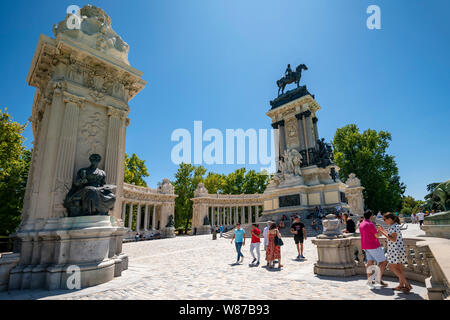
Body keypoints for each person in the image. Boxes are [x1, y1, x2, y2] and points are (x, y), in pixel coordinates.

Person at [377, 213, 412, 293]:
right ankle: (401, 285)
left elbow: (393, 239)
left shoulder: (394, 226)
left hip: (395, 250)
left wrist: (382, 233)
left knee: (392, 267)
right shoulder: (394, 226)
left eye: (385, 219)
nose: (384, 221)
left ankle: (407, 285)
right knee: (399, 269)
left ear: (390, 219)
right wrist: (383, 231)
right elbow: (391, 235)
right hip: (398, 249)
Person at [359, 210, 388, 288]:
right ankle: (377, 279)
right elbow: (376, 236)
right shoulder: (370, 224)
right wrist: (380, 231)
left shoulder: (361, 224)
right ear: (371, 216)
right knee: (384, 262)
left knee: (370, 263)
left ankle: (370, 280)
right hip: (373, 246)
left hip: (365, 246)